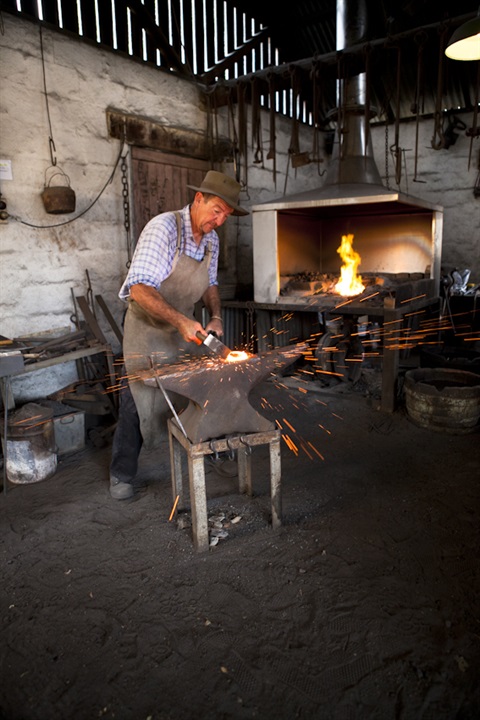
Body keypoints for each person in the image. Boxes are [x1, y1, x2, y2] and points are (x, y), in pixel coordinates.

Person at [109, 170, 249, 500]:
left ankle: (206, 446)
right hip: (148, 328)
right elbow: (139, 288)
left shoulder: (211, 240)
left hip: (185, 329)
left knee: (206, 381)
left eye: (226, 215)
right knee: (139, 396)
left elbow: (210, 284)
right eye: (216, 210)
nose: (219, 220)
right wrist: (179, 321)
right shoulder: (164, 229)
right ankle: (122, 473)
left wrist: (214, 316)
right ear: (198, 198)